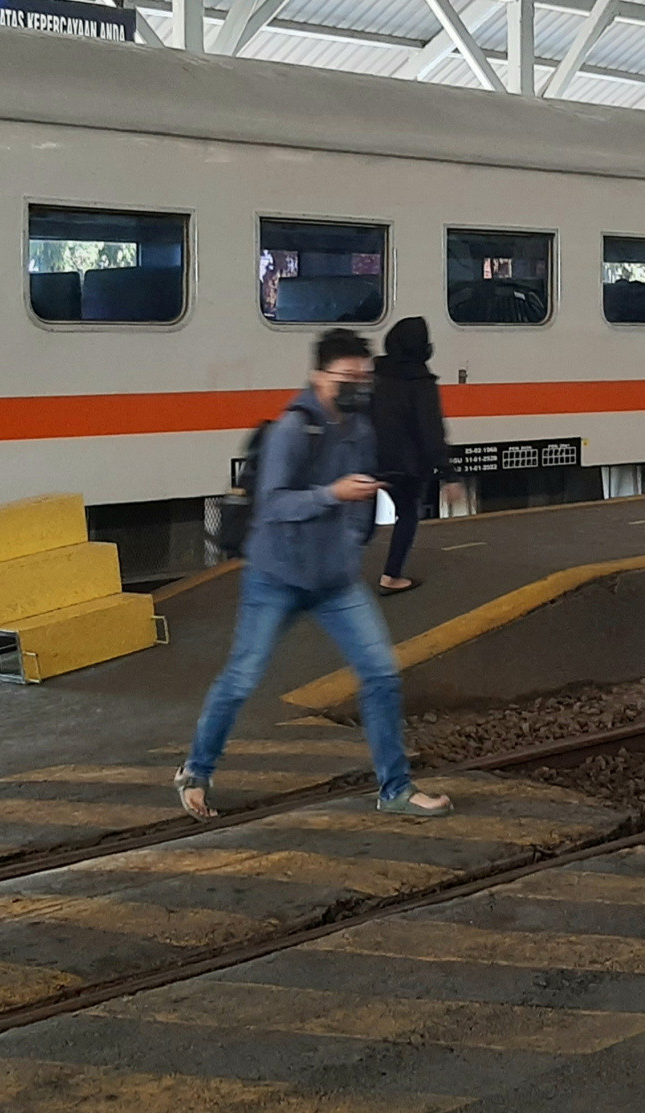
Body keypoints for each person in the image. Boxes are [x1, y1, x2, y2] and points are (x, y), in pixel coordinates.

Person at [176, 329, 452, 821]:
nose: (359, 386)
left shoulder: (361, 428)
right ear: (319, 376)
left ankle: (395, 789)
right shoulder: (292, 428)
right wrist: (334, 495)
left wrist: (352, 532)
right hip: (275, 576)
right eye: (348, 377)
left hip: (335, 581)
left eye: (364, 377)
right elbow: (275, 503)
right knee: (241, 678)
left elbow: (357, 494)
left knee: (382, 674)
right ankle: (196, 771)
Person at [370, 317, 466, 595]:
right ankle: (391, 576)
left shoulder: (376, 375)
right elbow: (431, 431)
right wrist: (448, 474)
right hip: (408, 468)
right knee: (407, 516)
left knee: (359, 520)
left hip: (373, 461)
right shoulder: (422, 382)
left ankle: (336, 576)